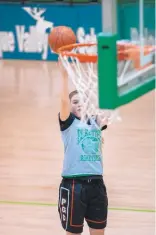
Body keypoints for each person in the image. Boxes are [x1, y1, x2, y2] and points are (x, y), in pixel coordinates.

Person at [58, 61, 108, 235]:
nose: (79, 103)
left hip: (97, 184)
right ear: (69, 107)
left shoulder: (96, 122)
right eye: (75, 101)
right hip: (74, 184)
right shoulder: (68, 123)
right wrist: (64, 76)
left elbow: (103, 106)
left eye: (82, 101)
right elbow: (64, 100)